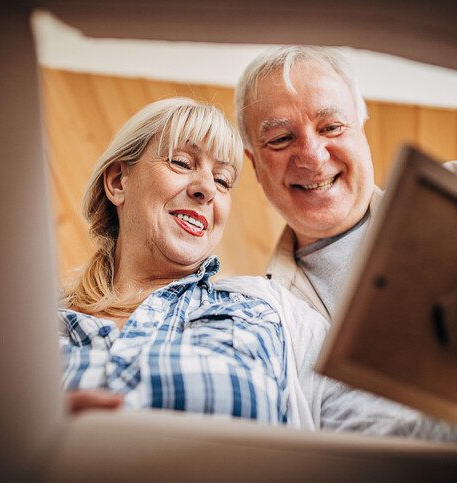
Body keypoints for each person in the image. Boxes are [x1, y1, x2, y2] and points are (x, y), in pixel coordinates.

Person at [234, 46, 457, 445]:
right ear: (255, 166)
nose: (312, 156)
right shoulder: (267, 317)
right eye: (281, 138)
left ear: (362, 131)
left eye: (331, 126)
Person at [59, 97, 289, 424]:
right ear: (117, 182)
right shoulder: (33, 327)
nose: (206, 188)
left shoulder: (254, 314)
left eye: (223, 180)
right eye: (181, 163)